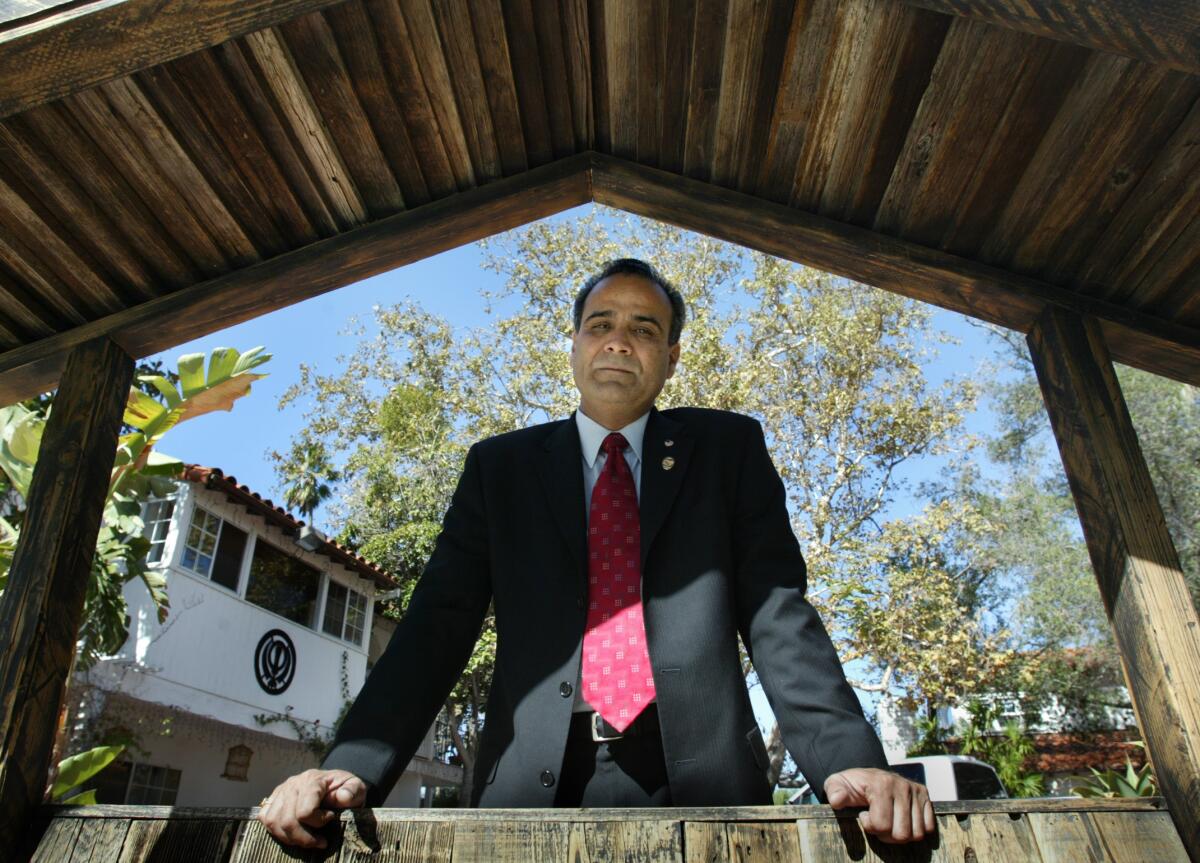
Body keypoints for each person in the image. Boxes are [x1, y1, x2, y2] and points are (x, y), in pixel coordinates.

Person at [258, 259, 935, 848]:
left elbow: (777, 612)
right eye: (601, 323)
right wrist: (352, 762)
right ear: (575, 346)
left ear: (670, 358)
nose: (619, 340)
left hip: (702, 788)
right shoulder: (501, 469)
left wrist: (851, 756)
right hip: (528, 791)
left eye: (645, 329)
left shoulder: (727, 452)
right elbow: (437, 625)